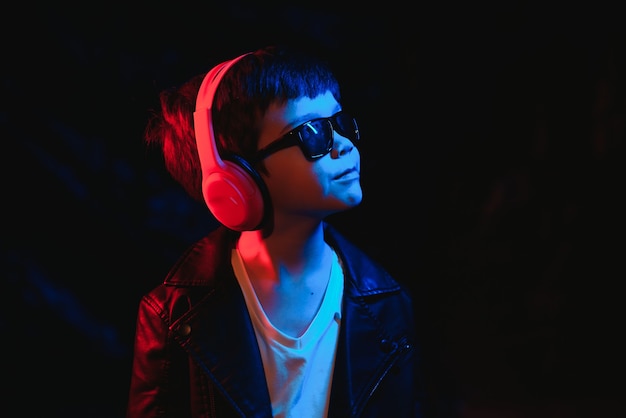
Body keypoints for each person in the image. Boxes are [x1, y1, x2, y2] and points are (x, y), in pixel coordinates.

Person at [127, 44, 423, 417]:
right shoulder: (172, 314)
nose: (345, 146)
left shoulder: (388, 306)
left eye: (341, 124)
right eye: (314, 133)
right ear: (234, 179)